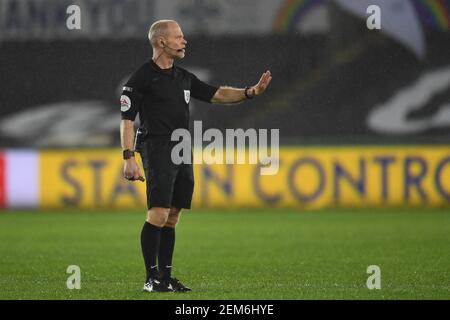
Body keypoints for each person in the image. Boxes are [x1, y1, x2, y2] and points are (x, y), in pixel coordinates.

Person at [120, 19, 272, 293]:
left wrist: (250, 92)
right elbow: (127, 120)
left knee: (173, 214)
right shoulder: (142, 77)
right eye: (178, 37)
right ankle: (150, 278)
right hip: (157, 147)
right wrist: (128, 156)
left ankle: (165, 277)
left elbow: (217, 94)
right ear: (161, 42)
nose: (184, 40)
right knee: (158, 213)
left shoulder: (183, 77)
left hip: (181, 147)